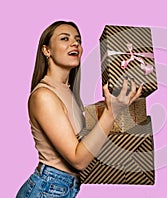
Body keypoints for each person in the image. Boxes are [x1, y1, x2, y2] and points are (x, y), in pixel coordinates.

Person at [16, 21, 142, 198]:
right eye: (64, 38)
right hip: (47, 189)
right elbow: (78, 159)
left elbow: (85, 142)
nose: (75, 43)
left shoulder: (68, 91)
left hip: (64, 188)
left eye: (78, 40)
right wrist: (111, 112)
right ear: (47, 50)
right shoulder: (44, 96)